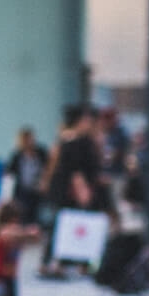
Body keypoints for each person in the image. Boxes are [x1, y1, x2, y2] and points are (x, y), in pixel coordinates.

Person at [41, 104, 104, 277]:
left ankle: (61, 262)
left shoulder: (71, 139)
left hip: (67, 190)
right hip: (69, 192)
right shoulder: (75, 141)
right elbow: (76, 170)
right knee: (65, 225)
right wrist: (82, 189)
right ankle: (59, 262)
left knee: (65, 225)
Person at [4, 126, 48, 226]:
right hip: (22, 191)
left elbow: (48, 168)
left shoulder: (41, 153)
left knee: (38, 214)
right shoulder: (17, 155)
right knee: (23, 213)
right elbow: (9, 172)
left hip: (37, 190)